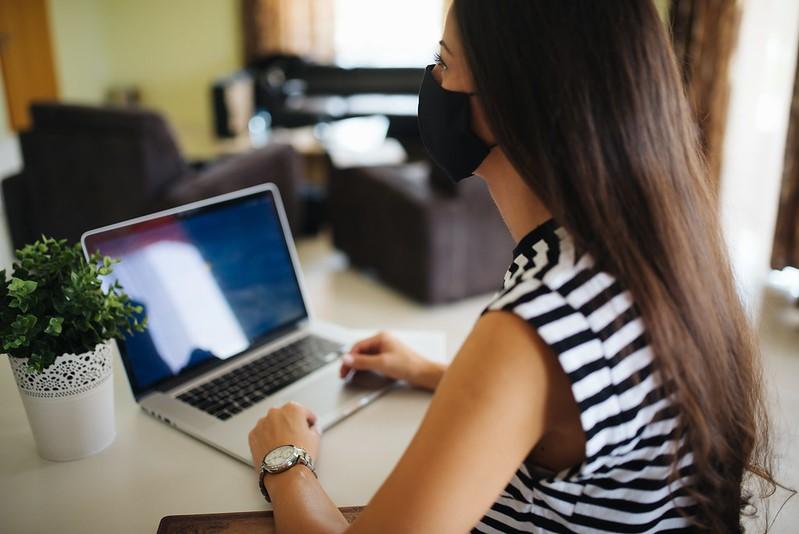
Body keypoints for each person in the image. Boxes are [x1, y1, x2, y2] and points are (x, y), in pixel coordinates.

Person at [247, 1, 775, 532]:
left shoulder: (538, 323)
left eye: (443, 61)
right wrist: (445, 378)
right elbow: (594, 404)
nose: (432, 79)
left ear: (510, 104)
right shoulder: (655, 247)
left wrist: (286, 462)